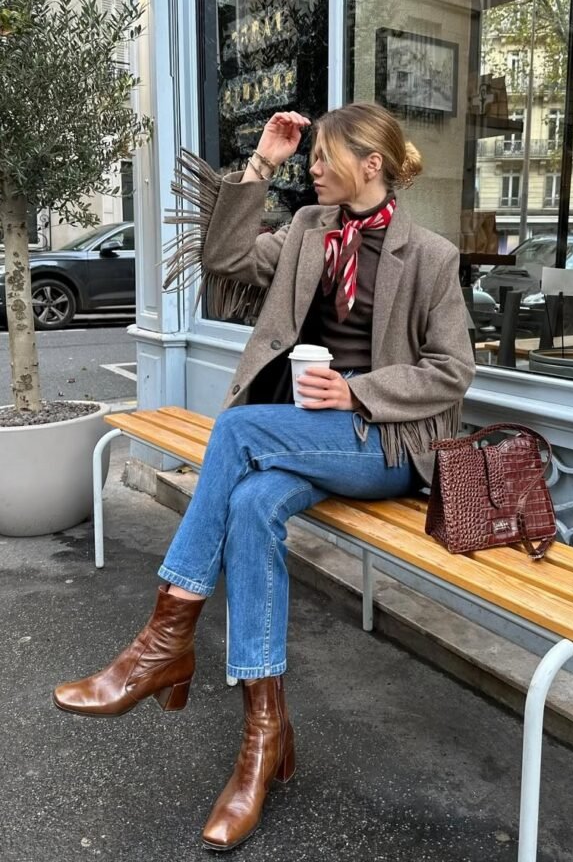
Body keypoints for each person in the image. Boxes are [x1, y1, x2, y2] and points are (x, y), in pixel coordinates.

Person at [53, 103, 476, 851]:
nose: (311, 164)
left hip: (378, 447)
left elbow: (452, 372)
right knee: (249, 503)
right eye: (305, 155)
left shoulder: (431, 256)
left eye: (321, 154)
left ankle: (163, 639)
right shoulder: (309, 229)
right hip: (293, 438)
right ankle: (263, 736)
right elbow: (223, 261)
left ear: (369, 164)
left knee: (240, 429)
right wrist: (258, 168)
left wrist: (357, 392)